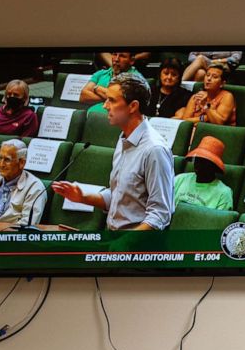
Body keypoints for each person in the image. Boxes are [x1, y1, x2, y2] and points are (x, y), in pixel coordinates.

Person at [52, 72, 174, 231]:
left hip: (135, 246)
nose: (105, 105)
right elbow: (120, 197)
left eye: (112, 100)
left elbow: (160, 214)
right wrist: (82, 197)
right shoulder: (124, 138)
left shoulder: (154, 150)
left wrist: (125, 243)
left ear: (133, 106)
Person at [173, 136, 234, 211]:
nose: (198, 164)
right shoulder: (179, 179)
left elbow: (219, 221)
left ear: (214, 166)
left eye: (204, 161)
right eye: (197, 159)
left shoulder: (224, 193)